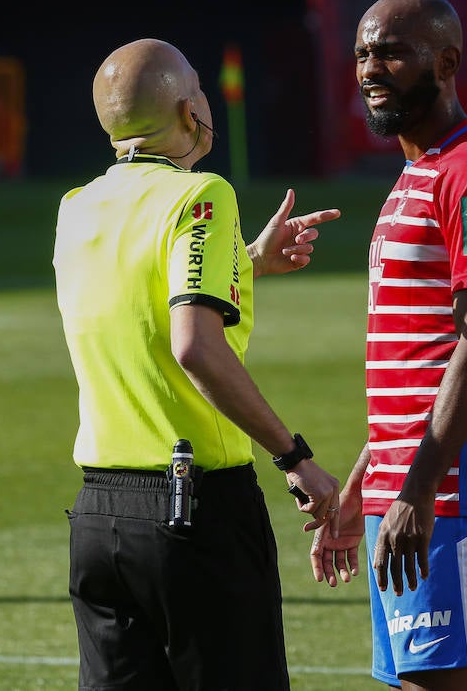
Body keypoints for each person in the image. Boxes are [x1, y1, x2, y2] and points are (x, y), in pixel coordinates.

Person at [53, 38, 342, 690]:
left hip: (99, 517)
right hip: (191, 510)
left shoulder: (76, 207)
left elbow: (136, 296)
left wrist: (246, 262)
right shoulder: (200, 196)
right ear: (189, 111)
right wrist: (295, 458)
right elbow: (193, 345)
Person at [311, 0, 467, 691]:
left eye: (391, 52)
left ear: (445, 61)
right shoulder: (419, 173)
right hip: (406, 488)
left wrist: (417, 483)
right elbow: (417, 356)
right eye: (361, 54)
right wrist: (364, 483)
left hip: (452, 494)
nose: (371, 68)